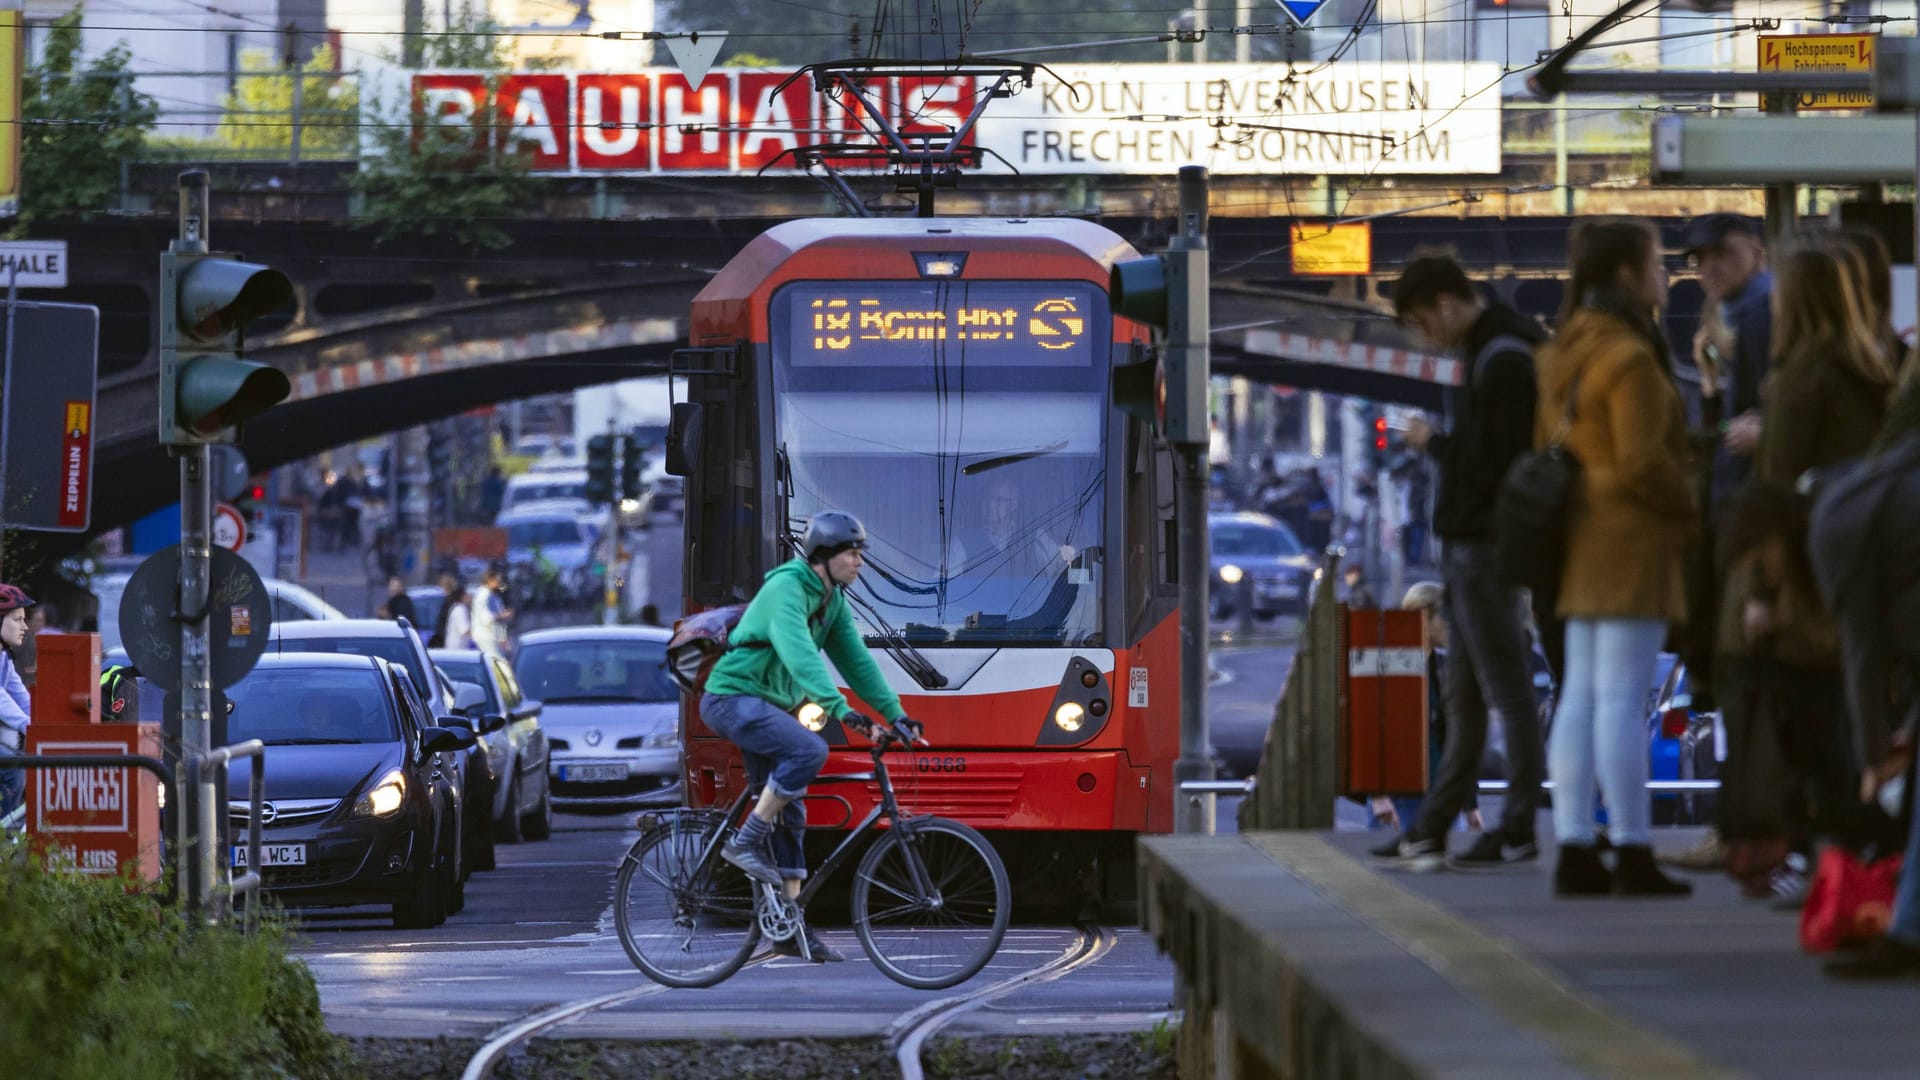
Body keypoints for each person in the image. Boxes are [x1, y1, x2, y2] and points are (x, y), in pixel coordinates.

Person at [1712, 239, 1893, 902]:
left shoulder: (1797, 380)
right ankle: (1856, 857)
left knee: (1801, 730)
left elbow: (1775, 495)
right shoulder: (1869, 368)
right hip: (1852, 565)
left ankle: (1822, 861)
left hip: (1796, 576)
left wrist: (1761, 592)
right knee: (1843, 723)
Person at [1535, 218, 1696, 898]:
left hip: (1576, 534)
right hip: (1629, 536)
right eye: (1657, 262)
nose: (1665, 276)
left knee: (1580, 695)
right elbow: (1643, 461)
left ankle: (1574, 844)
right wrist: (1692, 497)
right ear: (1629, 275)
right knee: (1624, 698)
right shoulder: (1629, 358)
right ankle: (1631, 845)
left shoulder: (1564, 349)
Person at [1385, 253, 1549, 872]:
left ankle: (1517, 826)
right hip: (1471, 548)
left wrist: (1435, 443)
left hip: (1485, 547)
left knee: (1505, 692)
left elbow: (1493, 463)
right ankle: (1429, 827)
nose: (1430, 339)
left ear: (1446, 304)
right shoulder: (1494, 350)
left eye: (1425, 325)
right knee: (1466, 697)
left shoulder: (1503, 357)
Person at [701, 511, 922, 963]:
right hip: (732, 698)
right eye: (852, 553)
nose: (860, 562)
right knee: (809, 749)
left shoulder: (833, 601)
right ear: (824, 556)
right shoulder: (787, 588)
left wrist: (897, 715)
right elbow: (799, 655)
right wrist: (841, 710)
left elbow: (857, 662)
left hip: (768, 706)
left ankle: (789, 926)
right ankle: (743, 842)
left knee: (792, 814)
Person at [1811, 373, 1920, 977]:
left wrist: (1875, 757)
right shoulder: (1887, 491)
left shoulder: (1838, 525)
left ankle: (1909, 933)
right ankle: (1909, 928)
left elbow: (1862, 652)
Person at [1366, 582, 1481, 849]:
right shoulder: (1390, 666)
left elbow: (1456, 737)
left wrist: (1469, 803)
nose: (1453, 625)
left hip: (1442, 794)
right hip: (1400, 798)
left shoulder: (1442, 667)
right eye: (1447, 617)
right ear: (1424, 617)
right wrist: (1378, 794)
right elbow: (1372, 730)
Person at [0, 585, 35, 818]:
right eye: (17, 619)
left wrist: (45, 724)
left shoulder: (3, 656)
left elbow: (22, 697)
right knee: (14, 769)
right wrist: (27, 725)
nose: (25, 627)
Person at [470, 565, 511, 659]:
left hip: (494, 637)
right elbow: (486, 618)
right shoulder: (483, 595)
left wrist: (503, 638)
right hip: (486, 636)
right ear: (490, 580)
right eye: (498, 581)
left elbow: (500, 621)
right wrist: (502, 615)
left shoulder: (494, 595)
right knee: (497, 662)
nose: (500, 583)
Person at [443, 583, 474, 650]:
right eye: (467, 595)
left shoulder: (461, 608)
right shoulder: (460, 610)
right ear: (462, 597)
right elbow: (465, 630)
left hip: (459, 648)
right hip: (457, 649)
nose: (470, 597)